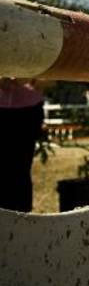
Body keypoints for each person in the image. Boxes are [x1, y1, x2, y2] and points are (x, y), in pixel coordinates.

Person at [0, 78, 46, 212]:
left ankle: (21, 219)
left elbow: (51, 78)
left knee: (21, 168)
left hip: (28, 109)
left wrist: (35, 79)